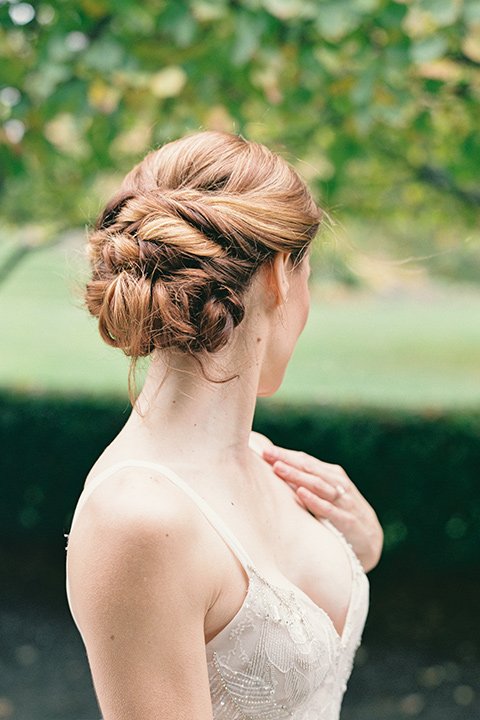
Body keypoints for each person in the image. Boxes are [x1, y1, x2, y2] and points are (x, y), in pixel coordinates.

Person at [66, 131, 383, 720]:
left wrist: (361, 547)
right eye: (307, 271)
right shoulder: (138, 521)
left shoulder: (263, 459)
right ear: (279, 277)